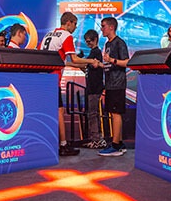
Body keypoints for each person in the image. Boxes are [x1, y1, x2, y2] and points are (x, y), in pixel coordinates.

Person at [40, 11, 100, 156]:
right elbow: (74, 59)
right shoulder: (66, 36)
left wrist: (79, 66)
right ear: (68, 23)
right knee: (60, 111)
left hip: (43, 78)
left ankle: (50, 143)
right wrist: (91, 61)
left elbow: (61, 61)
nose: (75, 27)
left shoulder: (48, 35)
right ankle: (63, 145)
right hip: (54, 78)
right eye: (74, 24)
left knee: (51, 111)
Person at [98, 17, 129, 157]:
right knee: (112, 113)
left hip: (118, 83)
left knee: (116, 114)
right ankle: (119, 143)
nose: (101, 28)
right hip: (110, 84)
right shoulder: (107, 44)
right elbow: (108, 65)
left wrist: (112, 60)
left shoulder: (119, 43)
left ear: (111, 27)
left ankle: (115, 145)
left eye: (103, 26)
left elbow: (127, 62)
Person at [81, 29, 106, 149]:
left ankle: (96, 139)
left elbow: (95, 66)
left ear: (95, 39)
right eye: (86, 42)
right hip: (91, 87)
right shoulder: (93, 53)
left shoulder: (96, 52)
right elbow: (88, 69)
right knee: (93, 114)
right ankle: (96, 138)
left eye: (89, 41)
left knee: (93, 114)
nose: (88, 44)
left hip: (95, 88)